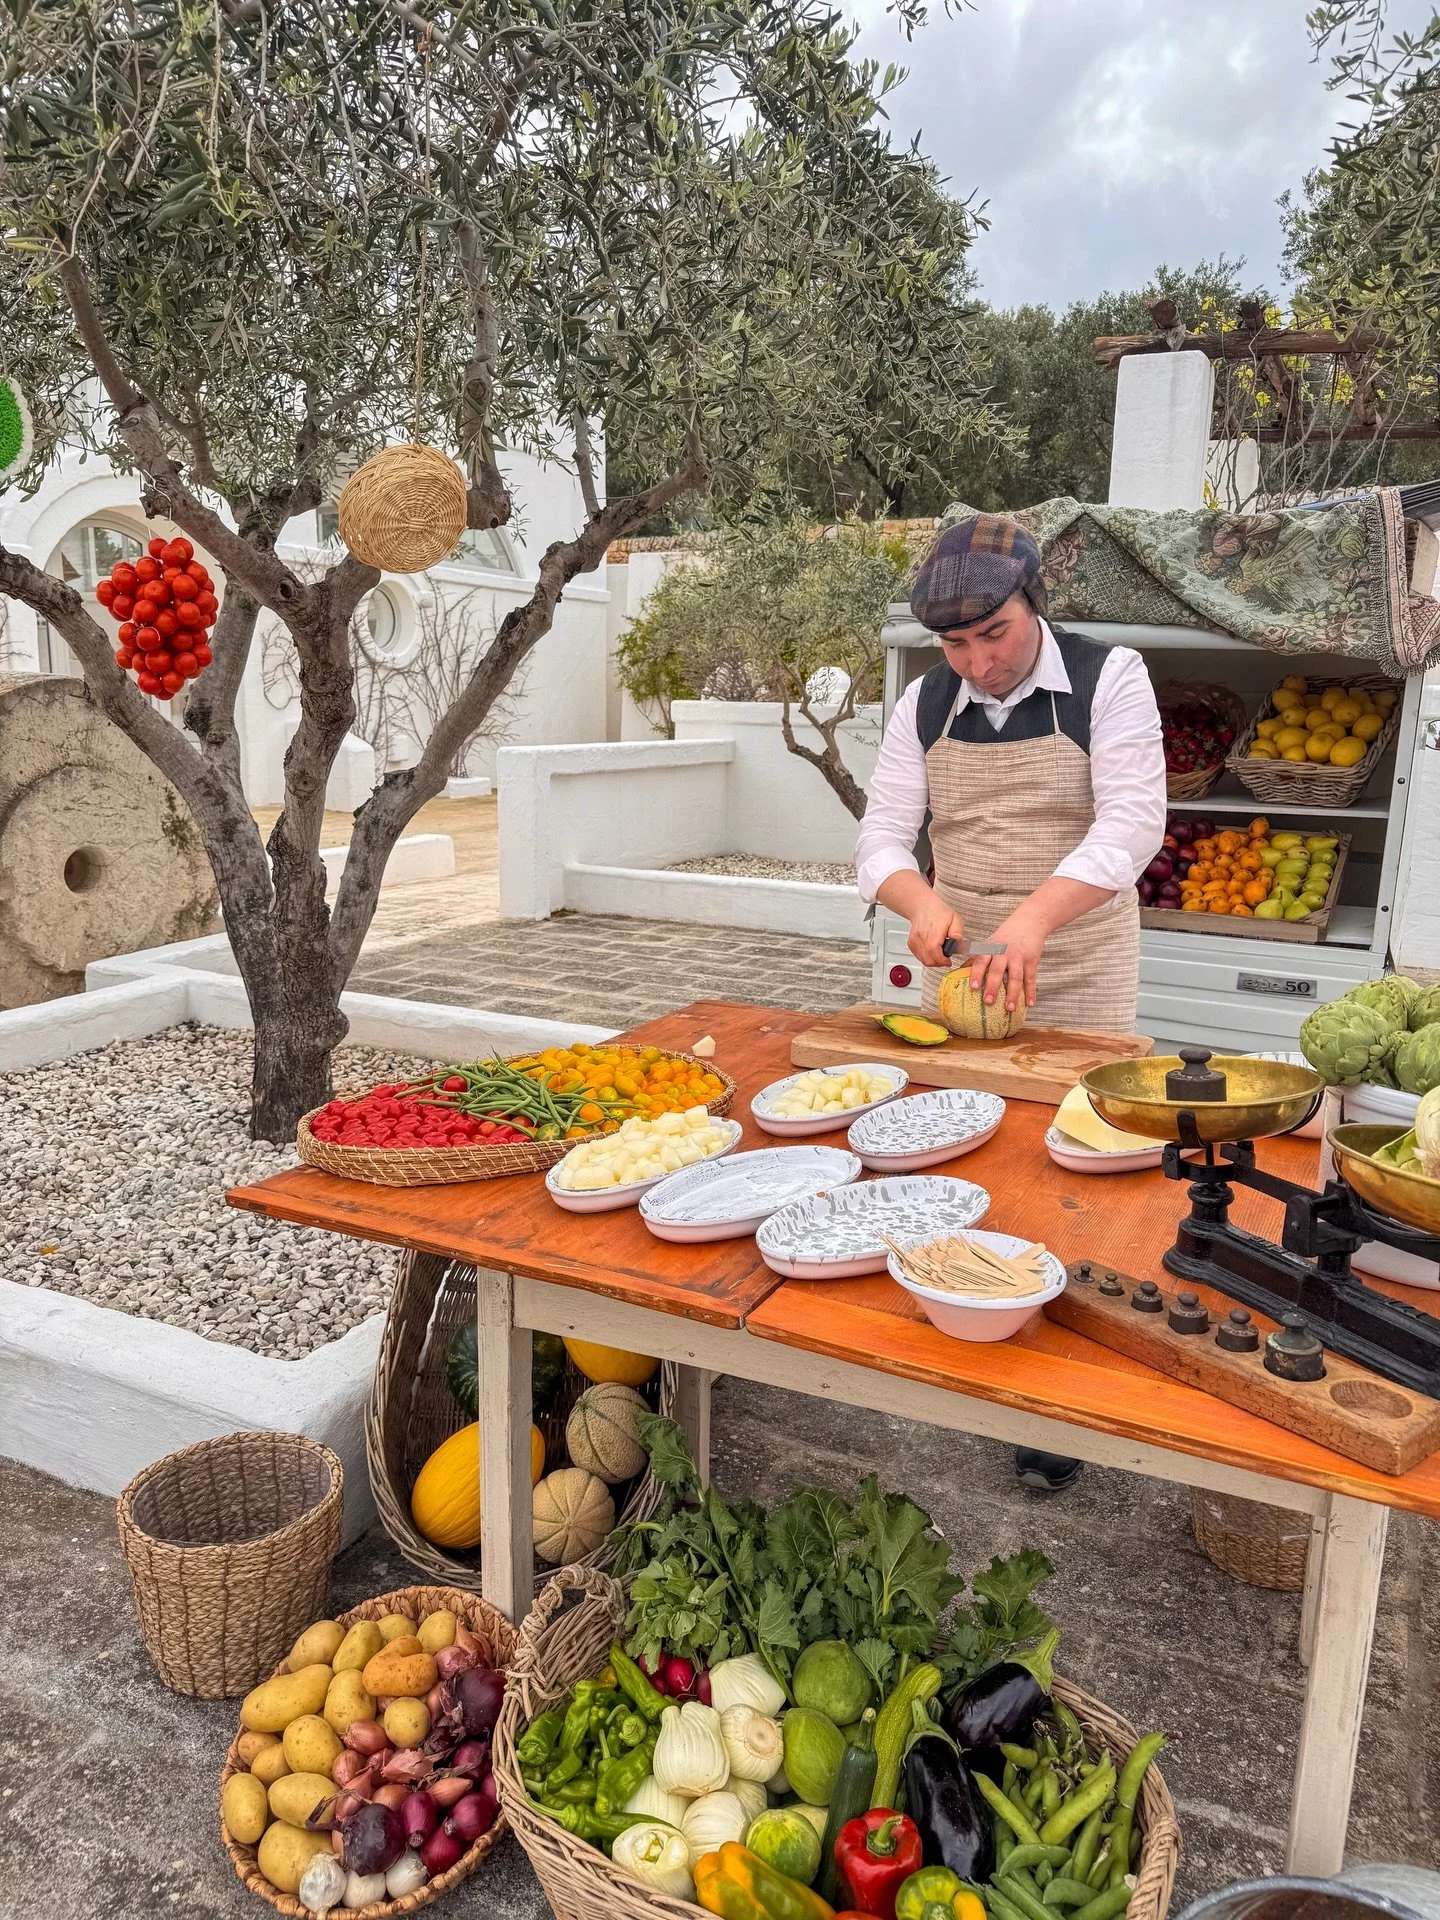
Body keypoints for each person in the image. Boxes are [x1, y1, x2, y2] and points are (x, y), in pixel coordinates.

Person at [856, 513, 1167, 1492]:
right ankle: (973, 1332)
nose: (978, 662)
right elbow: (880, 843)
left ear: (1035, 602)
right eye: (956, 644)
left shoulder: (1109, 678)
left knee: (1077, 1172)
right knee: (970, 1148)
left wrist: (1032, 924)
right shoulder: (923, 703)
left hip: (1076, 952)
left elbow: (1132, 825)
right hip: (963, 964)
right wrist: (918, 901)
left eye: (994, 634)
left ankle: (1063, 1389)